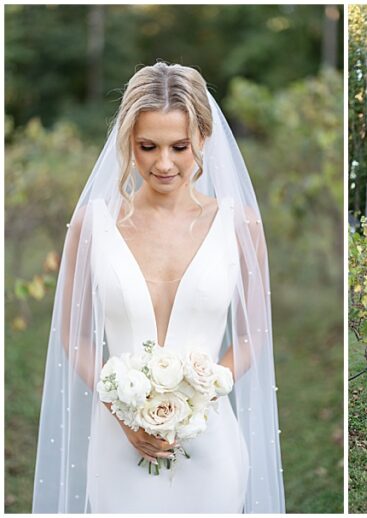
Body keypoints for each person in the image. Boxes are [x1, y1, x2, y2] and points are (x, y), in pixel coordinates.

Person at [32, 62, 285, 512]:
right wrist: (125, 413)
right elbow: (74, 335)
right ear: (128, 141)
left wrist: (196, 398)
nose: (164, 163)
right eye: (148, 146)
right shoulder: (94, 223)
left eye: (179, 146)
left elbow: (253, 335)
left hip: (210, 440)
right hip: (119, 443)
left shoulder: (241, 224)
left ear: (203, 139)